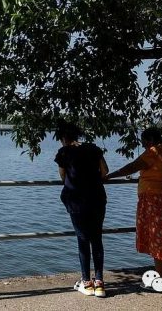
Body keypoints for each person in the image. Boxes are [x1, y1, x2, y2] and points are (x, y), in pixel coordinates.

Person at [105, 127, 162, 286]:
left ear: (150, 140)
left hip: (155, 200)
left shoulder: (154, 151)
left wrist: (109, 176)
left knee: (158, 238)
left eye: (144, 142)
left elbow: (132, 166)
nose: (143, 145)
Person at [54, 123, 109, 298]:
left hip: (77, 201)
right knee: (97, 239)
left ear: (63, 138)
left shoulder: (64, 153)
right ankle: (99, 282)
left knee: (83, 240)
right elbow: (105, 171)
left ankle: (86, 283)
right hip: (97, 199)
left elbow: (62, 176)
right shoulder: (94, 149)